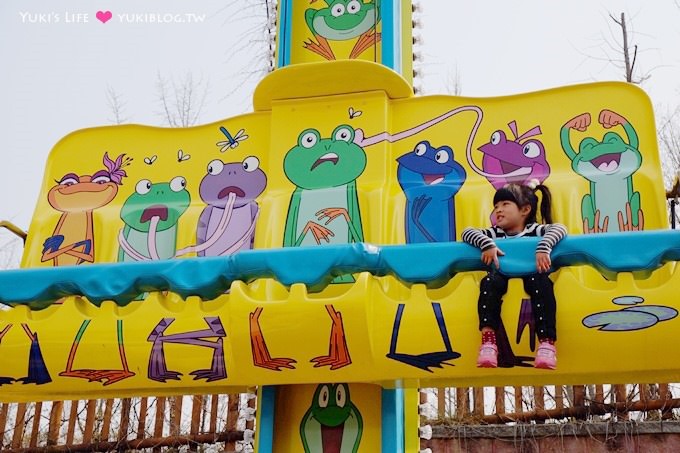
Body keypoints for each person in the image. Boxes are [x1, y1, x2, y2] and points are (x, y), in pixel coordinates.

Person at [461, 181, 567, 370]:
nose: (498, 210)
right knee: (489, 282)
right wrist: (487, 244)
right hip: (501, 275)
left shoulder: (534, 230)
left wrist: (544, 246)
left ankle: (546, 342)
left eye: (505, 204)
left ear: (524, 209)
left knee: (541, 283)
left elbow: (559, 229)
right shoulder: (495, 234)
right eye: (496, 206)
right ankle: (488, 340)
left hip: (532, 275)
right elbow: (467, 232)